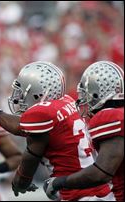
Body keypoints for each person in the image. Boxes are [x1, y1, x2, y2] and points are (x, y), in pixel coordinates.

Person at [0, 61, 115, 201]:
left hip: (81, 194)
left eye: (22, 91)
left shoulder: (44, 112)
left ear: (37, 93)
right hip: (97, 190)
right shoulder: (67, 101)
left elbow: (27, 151)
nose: (19, 97)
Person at [43, 61, 124, 201]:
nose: (83, 100)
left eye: (86, 94)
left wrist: (59, 182)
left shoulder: (109, 117)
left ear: (100, 92)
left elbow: (101, 173)